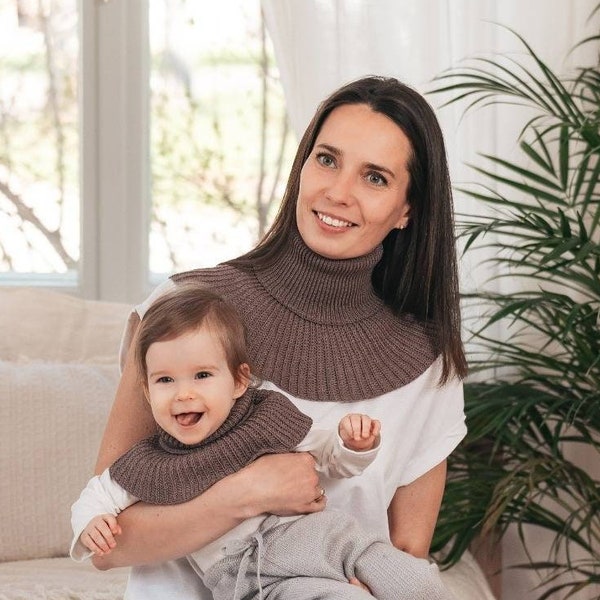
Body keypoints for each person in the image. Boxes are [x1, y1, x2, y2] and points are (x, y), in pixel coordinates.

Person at [93, 75, 468, 599]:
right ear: (302, 166)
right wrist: (244, 495)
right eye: (327, 159)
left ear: (408, 209)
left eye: (375, 178)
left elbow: (406, 559)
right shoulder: (182, 308)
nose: (337, 192)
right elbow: (106, 544)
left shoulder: (429, 363)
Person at [70, 285, 452, 599]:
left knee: (415, 581)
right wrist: (91, 523)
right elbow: (97, 495)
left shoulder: (263, 418)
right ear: (146, 390)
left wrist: (353, 446)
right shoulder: (147, 463)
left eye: (202, 375)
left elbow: (327, 457)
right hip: (248, 575)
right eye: (165, 380)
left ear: (238, 381)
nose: (183, 394)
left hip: (321, 538)